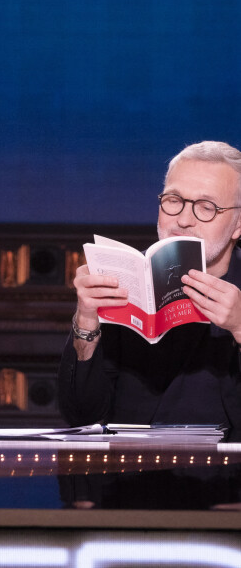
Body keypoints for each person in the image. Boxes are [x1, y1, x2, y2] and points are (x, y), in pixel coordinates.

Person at [58, 141, 241, 429]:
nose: (183, 219)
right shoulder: (123, 278)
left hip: (225, 470)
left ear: (238, 223)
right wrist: (87, 320)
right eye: (173, 200)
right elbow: (81, 415)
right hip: (129, 468)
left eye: (206, 207)